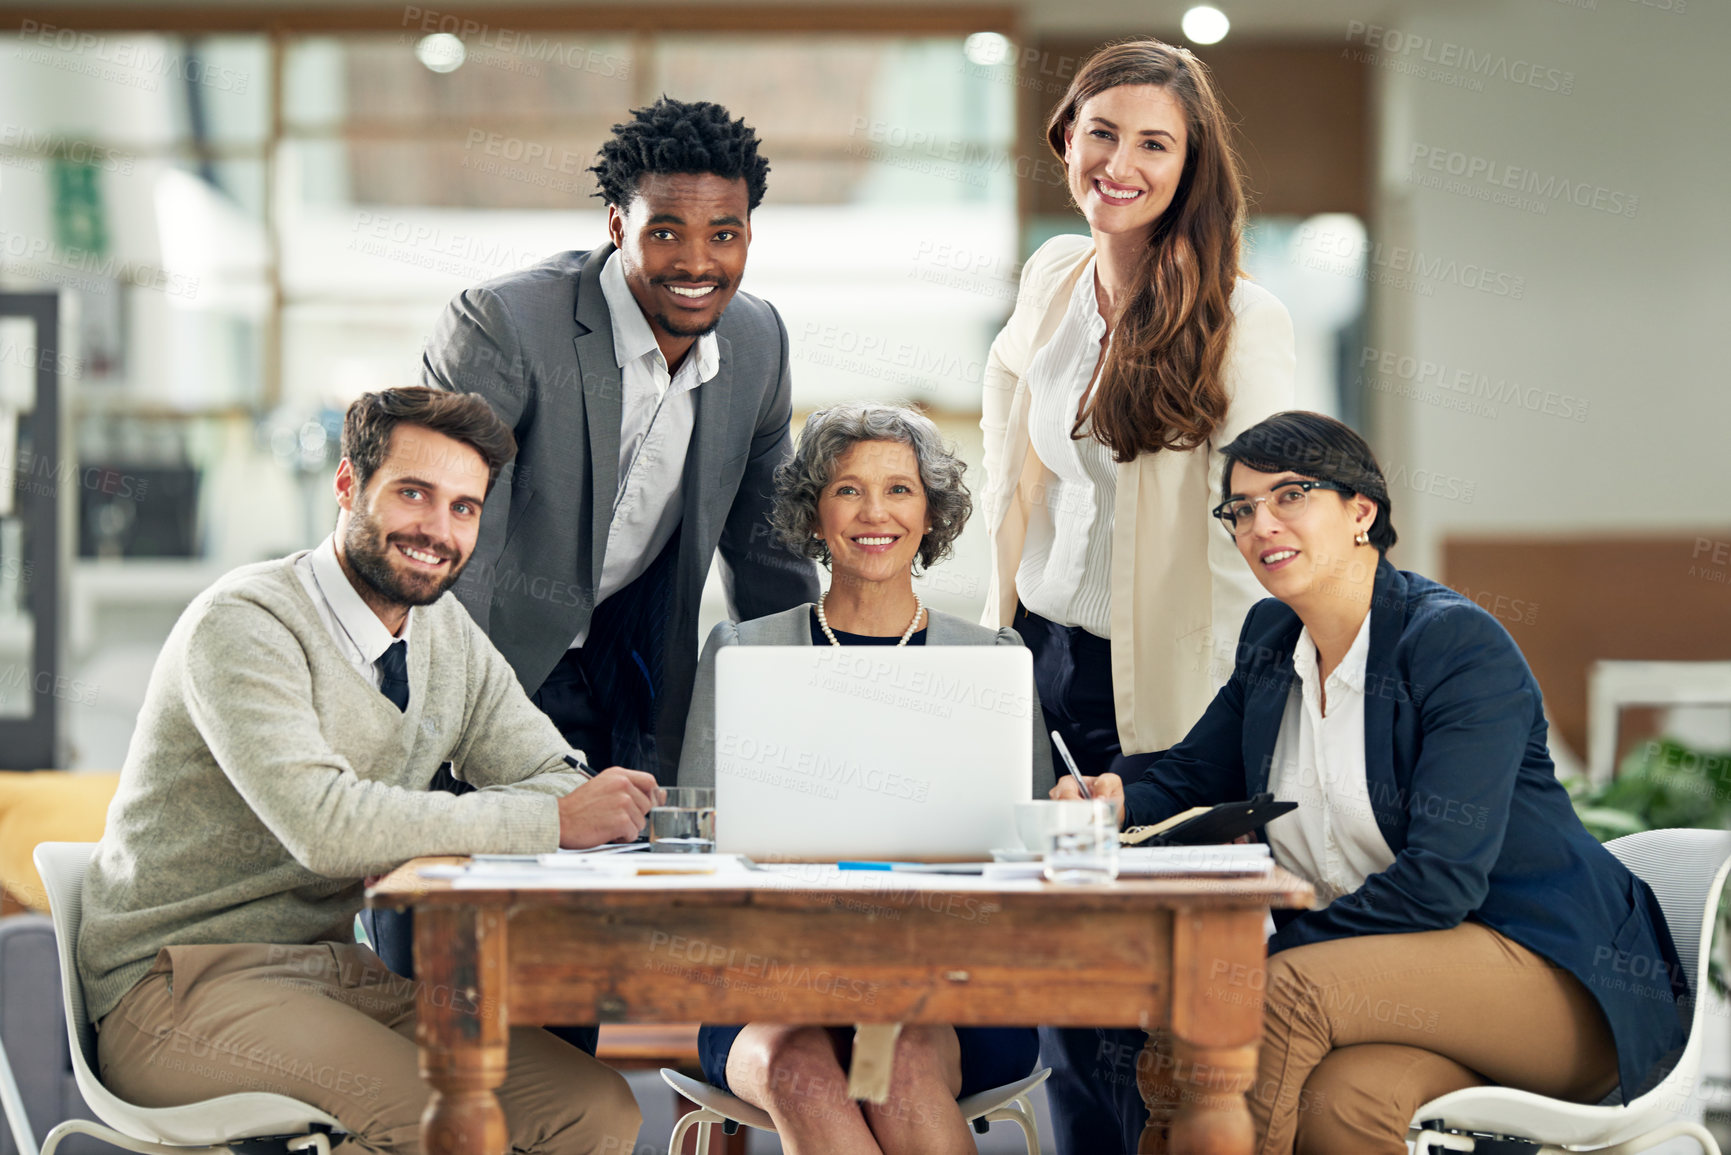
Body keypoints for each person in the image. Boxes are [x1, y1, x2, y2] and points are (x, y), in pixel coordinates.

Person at [1055, 411, 1690, 1154]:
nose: (1262, 523)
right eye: (1242, 508)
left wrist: (1274, 950)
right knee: (1339, 1104)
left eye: (1291, 496)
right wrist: (1114, 796)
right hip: (1399, 985)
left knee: (1266, 995)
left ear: (1361, 511)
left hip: (1548, 976)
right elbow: (1195, 771)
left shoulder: (1451, 643)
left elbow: (1439, 882)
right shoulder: (1270, 638)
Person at [80, 388, 659, 1155]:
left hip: (331, 971)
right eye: (413, 494)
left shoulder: (442, 632)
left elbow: (552, 769)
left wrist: (558, 803)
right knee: (450, 1128)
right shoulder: (246, 623)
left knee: (594, 1106)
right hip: (177, 984)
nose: (437, 530)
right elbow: (326, 824)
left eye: (463, 507)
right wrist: (551, 822)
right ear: (349, 486)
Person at [401, 97, 821, 1027]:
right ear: (617, 224)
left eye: (725, 232)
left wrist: (809, 724)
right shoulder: (507, 325)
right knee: (460, 961)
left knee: (577, 968)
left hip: (628, 667)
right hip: (487, 658)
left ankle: (557, 1110)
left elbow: (771, 561)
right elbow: (442, 547)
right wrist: (450, 733)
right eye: (665, 229)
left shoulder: (757, 343)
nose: (696, 260)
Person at [979, 39, 1295, 1147]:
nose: (1119, 161)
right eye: (1100, 132)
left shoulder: (1245, 317)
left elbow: (1277, 516)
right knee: (1063, 968)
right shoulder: (1053, 277)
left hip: (1164, 682)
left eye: (1153, 142)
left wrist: (1252, 701)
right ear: (1066, 138)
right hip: (1040, 657)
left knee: (1145, 984)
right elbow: (1011, 473)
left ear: (1191, 163)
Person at [678, 403, 1051, 1155]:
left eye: (899, 490)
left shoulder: (992, 657)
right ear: (814, 515)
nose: (873, 512)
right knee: (800, 1070)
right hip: (772, 983)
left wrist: (1065, 814)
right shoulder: (743, 650)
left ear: (931, 514)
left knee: (901, 1065)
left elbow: (1030, 848)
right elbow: (694, 834)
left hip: (951, 986)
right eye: (847, 490)